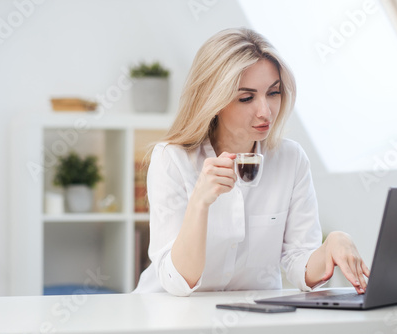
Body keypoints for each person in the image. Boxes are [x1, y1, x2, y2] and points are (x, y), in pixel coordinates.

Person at [133, 27, 370, 297]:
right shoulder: (172, 159)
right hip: (168, 312)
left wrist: (331, 247)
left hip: (253, 315)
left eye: (273, 93)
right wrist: (199, 202)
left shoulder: (290, 160)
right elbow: (177, 281)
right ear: (214, 101)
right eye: (246, 98)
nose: (265, 111)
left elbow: (298, 262)